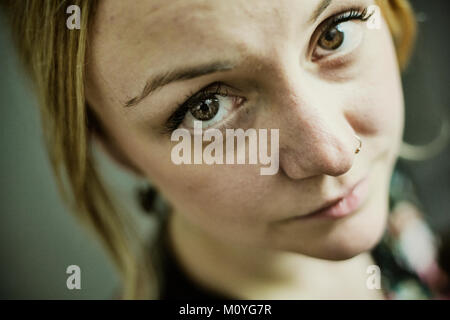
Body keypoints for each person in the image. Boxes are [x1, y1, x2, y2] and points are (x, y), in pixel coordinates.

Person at [2, 0, 448, 299]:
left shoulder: (378, 193)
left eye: (334, 33)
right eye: (207, 108)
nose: (335, 155)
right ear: (113, 147)